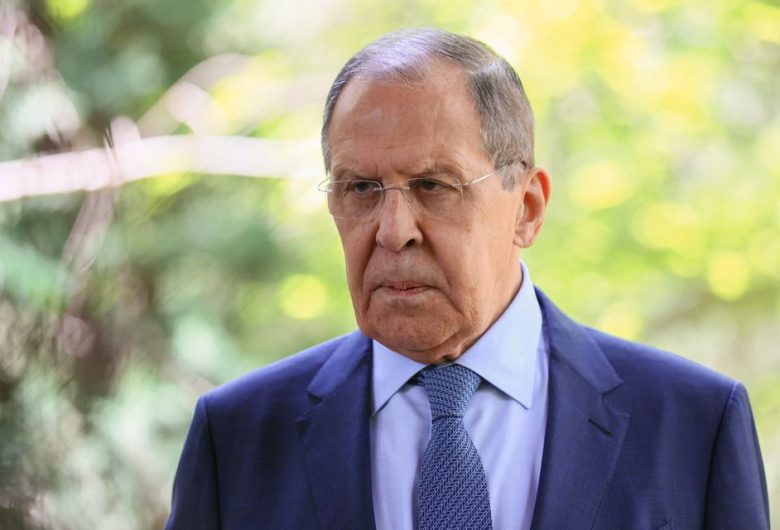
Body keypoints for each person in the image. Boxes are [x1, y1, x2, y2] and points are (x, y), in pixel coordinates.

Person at [165, 29, 769, 530]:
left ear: (527, 208)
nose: (393, 230)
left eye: (433, 185)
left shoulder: (693, 426)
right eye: (362, 188)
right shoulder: (236, 438)